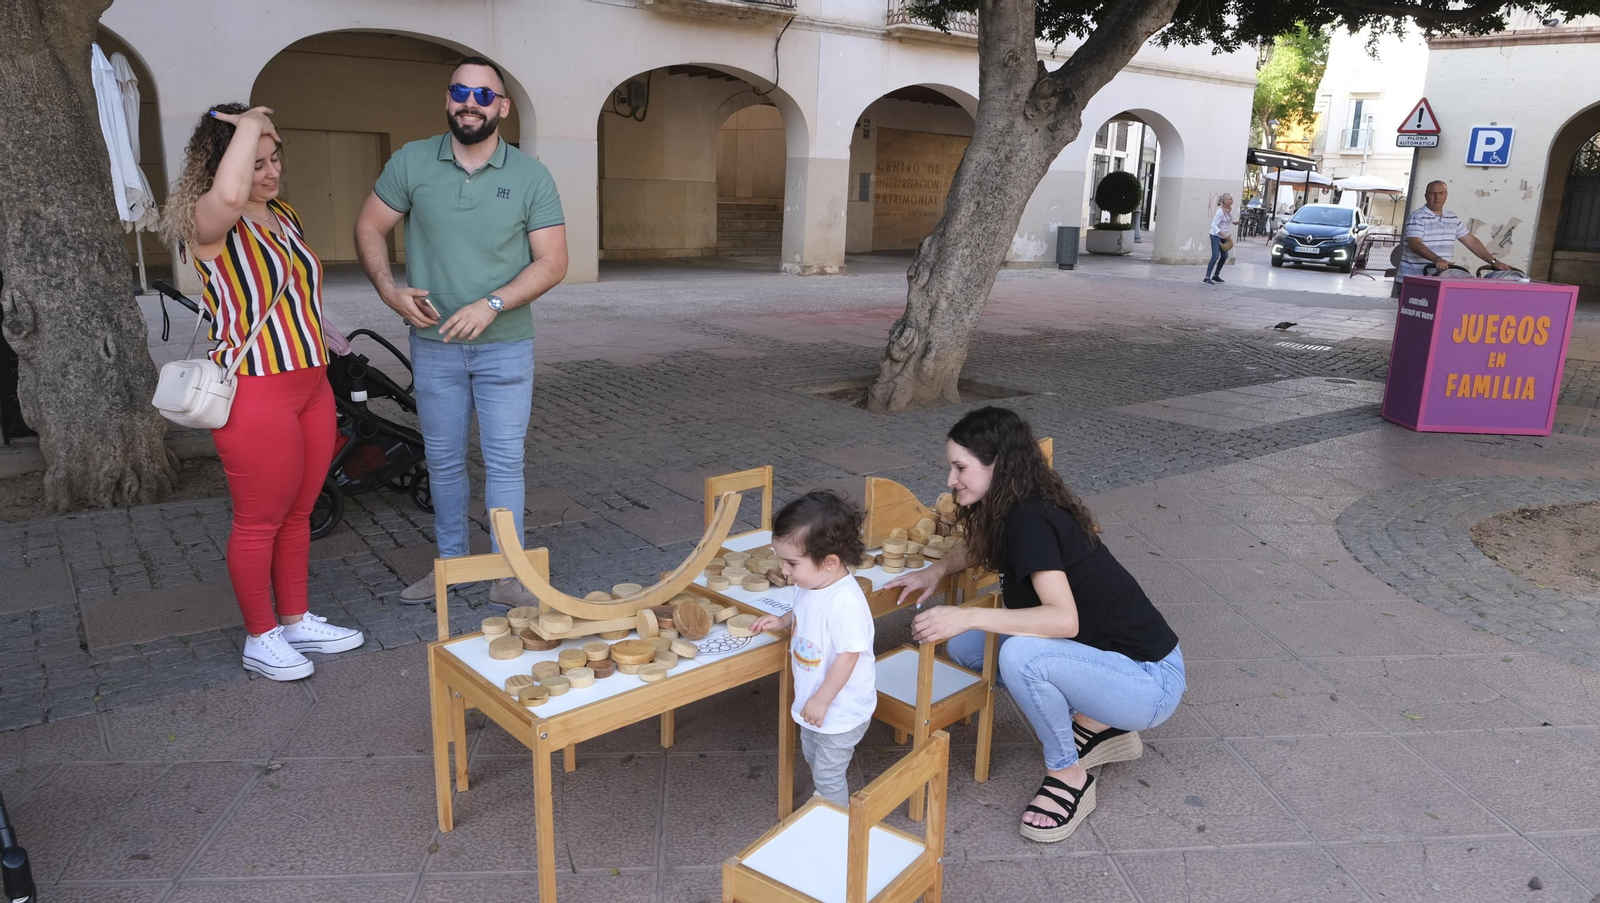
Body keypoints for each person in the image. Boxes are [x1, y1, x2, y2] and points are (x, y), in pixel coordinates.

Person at [885, 407, 1184, 843]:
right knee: (970, 647)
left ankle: (1068, 773)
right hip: (1113, 662)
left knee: (1021, 655)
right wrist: (935, 572)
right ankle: (1098, 723)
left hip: (1149, 682)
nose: (951, 480)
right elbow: (973, 547)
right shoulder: (1012, 508)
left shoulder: (1030, 521)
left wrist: (963, 612)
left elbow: (1063, 620)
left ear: (998, 466)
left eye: (960, 467)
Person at [354, 57, 568, 610]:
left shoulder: (530, 176)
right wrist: (387, 289)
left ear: (502, 107)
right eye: (459, 91)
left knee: (504, 463)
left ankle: (508, 575)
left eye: (482, 93)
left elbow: (553, 261)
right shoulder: (413, 161)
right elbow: (370, 225)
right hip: (435, 346)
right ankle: (451, 567)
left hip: (506, 346)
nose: (469, 102)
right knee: (444, 462)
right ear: (448, 99)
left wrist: (493, 303)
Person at [159, 104, 364, 680]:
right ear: (222, 165)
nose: (271, 173)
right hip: (255, 391)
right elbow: (225, 201)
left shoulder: (283, 214)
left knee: (299, 510)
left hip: (310, 383)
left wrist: (314, 324)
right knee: (259, 519)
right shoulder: (207, 221)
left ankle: (295, 618)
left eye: (275, 159)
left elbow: (290, 284)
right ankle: (260, 636)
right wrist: (247, 120)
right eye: (254, 163)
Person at [749, 491, 876, 808]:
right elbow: (804, 612)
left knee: (830, 776)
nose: (785, 570)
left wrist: (821, 699)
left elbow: (849, 656)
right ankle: (826, 798)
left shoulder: (844, 602)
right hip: (813, 703)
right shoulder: (811, 584)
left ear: (830, 562)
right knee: (812, 753)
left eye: (791, 562)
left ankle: (836, 825)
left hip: (839, 709)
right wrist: (782, 621)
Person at [1398, 181, 1510, 279]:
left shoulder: (1452, 217)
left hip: (1440, 278)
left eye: (1441, 193)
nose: (1437, 197)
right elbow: (1415, 244)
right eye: (1433, 193)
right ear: (1426, 196)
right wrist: (1436, 259)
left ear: (1446, 195)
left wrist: (1493, 262)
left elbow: (1471, 241)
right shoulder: (1417, 217)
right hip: (1413, 278)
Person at [1204, 193, 1234, 285]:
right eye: (1230, 199)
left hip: (1224, 236)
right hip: (1215, 235)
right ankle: (1207, 277)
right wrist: (1222, 234)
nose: (1232, 200)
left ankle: (1216, 275)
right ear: (1225, 201)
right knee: (1215, 255)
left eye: (1232, 199)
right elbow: (1213, 225)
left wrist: (1234, 222)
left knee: (1224, 255)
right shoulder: (1220, 212)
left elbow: (1229, 220)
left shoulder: (1230, 209)